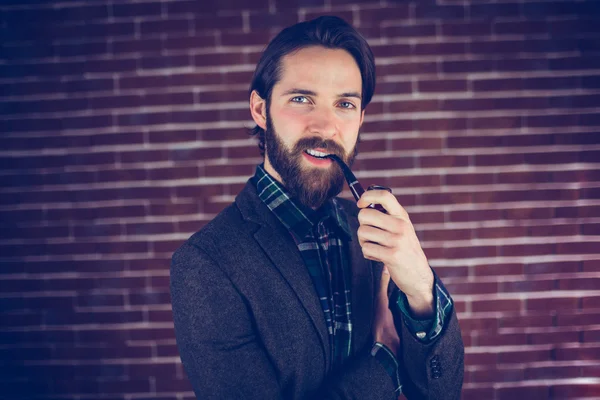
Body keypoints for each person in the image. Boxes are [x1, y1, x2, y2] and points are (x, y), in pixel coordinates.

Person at [170, 16, 464, 400]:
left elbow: (442, 392)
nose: (326, 127)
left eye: (344, 104)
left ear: (360, 119)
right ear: (260, 110)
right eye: (301, 99)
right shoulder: (206, 263)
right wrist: (386, 361)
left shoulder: (374, 233)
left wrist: (421, 289)